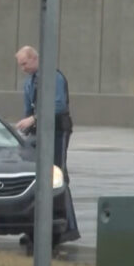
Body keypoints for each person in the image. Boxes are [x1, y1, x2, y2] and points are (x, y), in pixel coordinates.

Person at [14, 45, 80, 245]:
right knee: (34, 176)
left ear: (35, 59)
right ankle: (36, 227)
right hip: (37, 132)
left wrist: (33, 119)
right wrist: (26, 125)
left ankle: (67, 227)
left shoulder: (53, 77)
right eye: (20, 65)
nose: (23, 68)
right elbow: (28, 107)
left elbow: (58, 105)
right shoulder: (29, 82)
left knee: (57, 175)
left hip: (56, 132)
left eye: (25, 63)